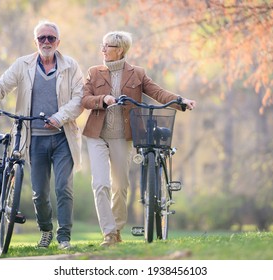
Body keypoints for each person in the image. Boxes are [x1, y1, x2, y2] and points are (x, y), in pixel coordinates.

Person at [0, 20, 84, 250]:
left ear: (58, 42)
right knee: (39, 193)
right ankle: (46, 231)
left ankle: (64, 237)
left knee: (63, 187)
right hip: (33, 139)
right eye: (42, 38)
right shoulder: (22, 65)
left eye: (51, 38)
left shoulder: (71, 66)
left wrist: (59, 117)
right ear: (35, 41)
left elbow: (79, 99)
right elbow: (1, 85)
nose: (46, 42)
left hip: (63, 136)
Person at [82, 31, 196, 247]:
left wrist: (180, 100)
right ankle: (108, 233)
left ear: (120, 49)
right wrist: (102, 99)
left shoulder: (137, 74)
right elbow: (85, 99)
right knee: (100, 184)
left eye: (107, 46)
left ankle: (117, 229)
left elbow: (158, 92)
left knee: (120, 185)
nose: (102, 49)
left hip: (122, 136)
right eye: (102, 45)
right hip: (96, 135)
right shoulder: (94, 72)